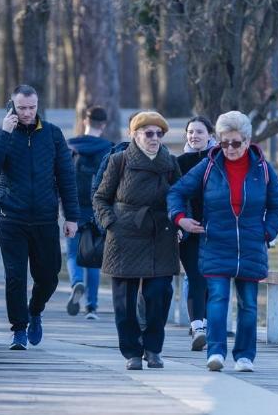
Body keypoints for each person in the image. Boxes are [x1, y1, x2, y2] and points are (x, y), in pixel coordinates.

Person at [167, 110, 278, 372]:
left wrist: (267, 232)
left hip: (251, 246)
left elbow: (277, 205)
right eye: (224, 142)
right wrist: (180, 219)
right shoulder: (210, 165)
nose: (229, 149)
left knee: (248, 304)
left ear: (247, 140)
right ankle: (216, 352)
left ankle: (244, 356)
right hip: (216, 242)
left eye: (235, 143)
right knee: (218, 299)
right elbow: (177, 191)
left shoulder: (263, 169)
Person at [0, 84, 79, 350]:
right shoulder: (2, 134)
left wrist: (71, 216)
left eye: (31, 107)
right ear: (11, 106)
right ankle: (19, 330)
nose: (26, 112)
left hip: (45, 218)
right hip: (11, 217)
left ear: (38, 106)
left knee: (48, 277)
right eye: (21, 107)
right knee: (15, 276)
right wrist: (4, 133)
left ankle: (35, 311)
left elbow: (66, 178)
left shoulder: (52, 134)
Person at [92, 111, 181, 370]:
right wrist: (110, 223)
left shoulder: (170, 163)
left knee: (159, 294)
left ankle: (153, 349)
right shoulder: (119, 160)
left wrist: (180, 221)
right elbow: (100, 197)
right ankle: (132, 351)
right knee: (124, 301)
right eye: (148, 133)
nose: (154, 138)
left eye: (159, 134)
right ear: (134, 135)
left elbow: (179, 196)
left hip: (160, 234)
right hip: (124, 235)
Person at [66, 106, 113, 320]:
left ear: (86, 121)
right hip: (97, 209)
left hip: (73, 209)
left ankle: (76, 281)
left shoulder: (71, 147)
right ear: (103, 125)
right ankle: (91, 307)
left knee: (73, 252)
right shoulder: (108, 149)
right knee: (93, 257)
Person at [176, 116, 217, 351]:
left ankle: (205, 322)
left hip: (214, 230)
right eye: (190, 132)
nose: (194, 136)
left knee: (211, 278)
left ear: (210, 135)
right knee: (195, 275)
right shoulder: (179, 162)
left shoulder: (219, 161)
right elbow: (173, 195)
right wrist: (179, 224)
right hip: (189, 229)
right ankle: (198, 326)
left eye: (199, 132)